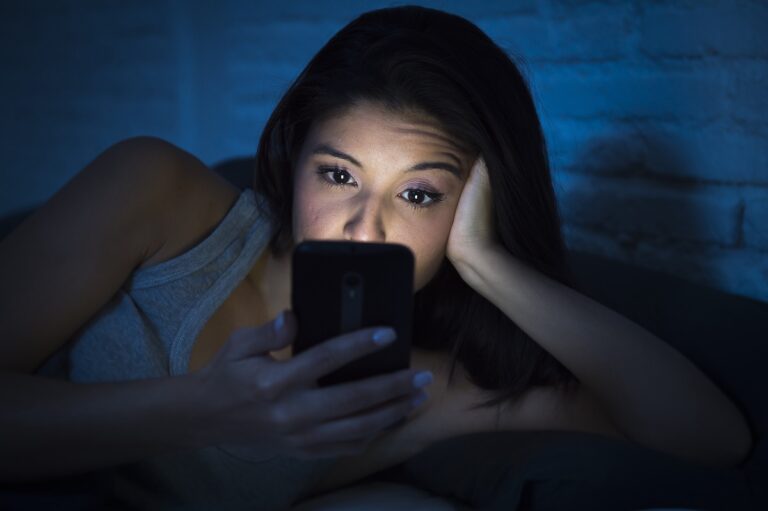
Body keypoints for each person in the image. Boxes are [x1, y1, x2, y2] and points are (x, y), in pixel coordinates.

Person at [0, 5, 752, 510]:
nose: (364, 227)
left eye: (418, 196)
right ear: (294, 161)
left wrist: (488, 262)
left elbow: (709, 438)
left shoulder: (421, 389)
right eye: (338, 175)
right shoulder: (155, 188)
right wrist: (199, 409)